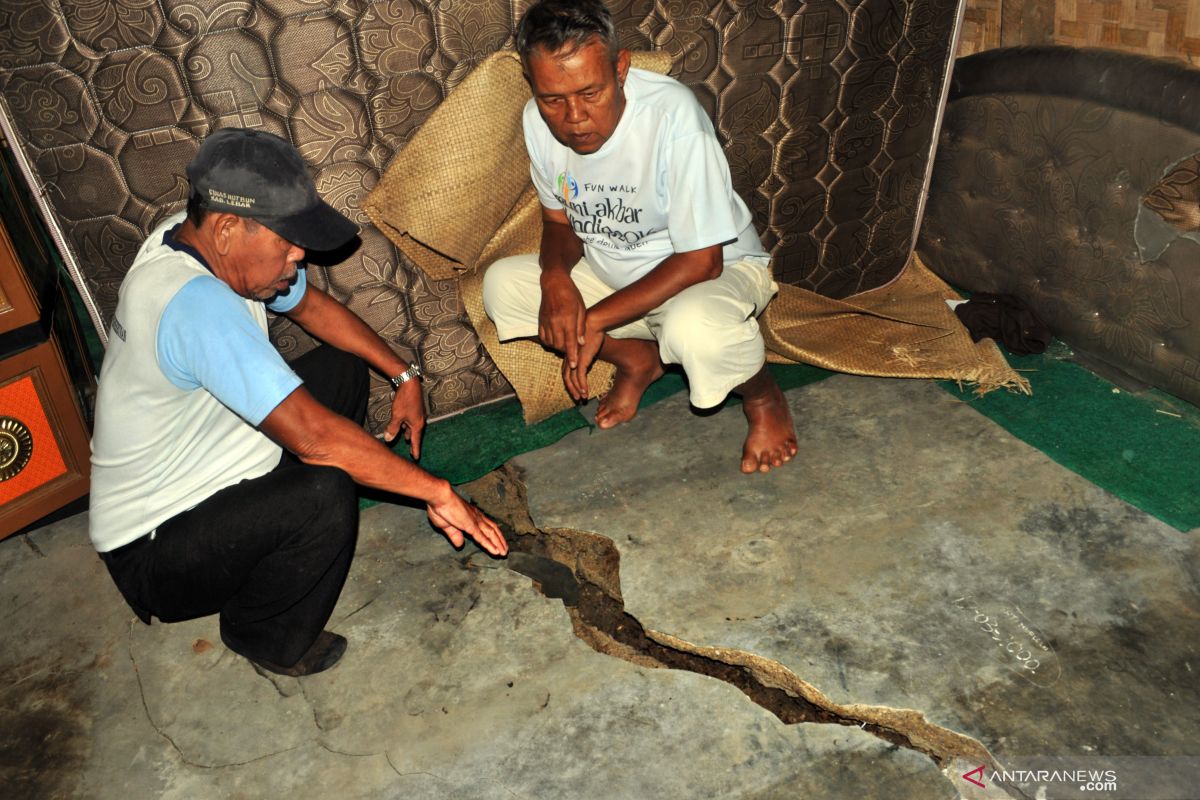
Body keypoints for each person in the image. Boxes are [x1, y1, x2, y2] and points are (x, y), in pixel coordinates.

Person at [88, 128, 507, 678]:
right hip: (156, 547)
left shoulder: (192, 239)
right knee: (324, 485)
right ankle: (261, 631)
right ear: (227, 227)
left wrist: (404, 375)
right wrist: (437, 492)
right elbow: (316, 438)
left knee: (341, 369)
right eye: (286, 242)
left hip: (210, 468)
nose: (299, 254)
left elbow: (311, 309)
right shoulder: (192, 304)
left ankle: (286, 537)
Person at [482, 0, 798, 474]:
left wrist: (592, 320)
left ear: (621, 67)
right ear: (532, 83)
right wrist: (555, 280)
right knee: (503, 287)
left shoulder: (673, 117)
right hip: (614, 274)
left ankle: (764, 398)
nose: (573, 117)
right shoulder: (536, 121)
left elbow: (702, 262)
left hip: (713, 275)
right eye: (553, 99)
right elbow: (558, 222)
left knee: (696, 328)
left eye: (591, 92)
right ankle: (637, 360)